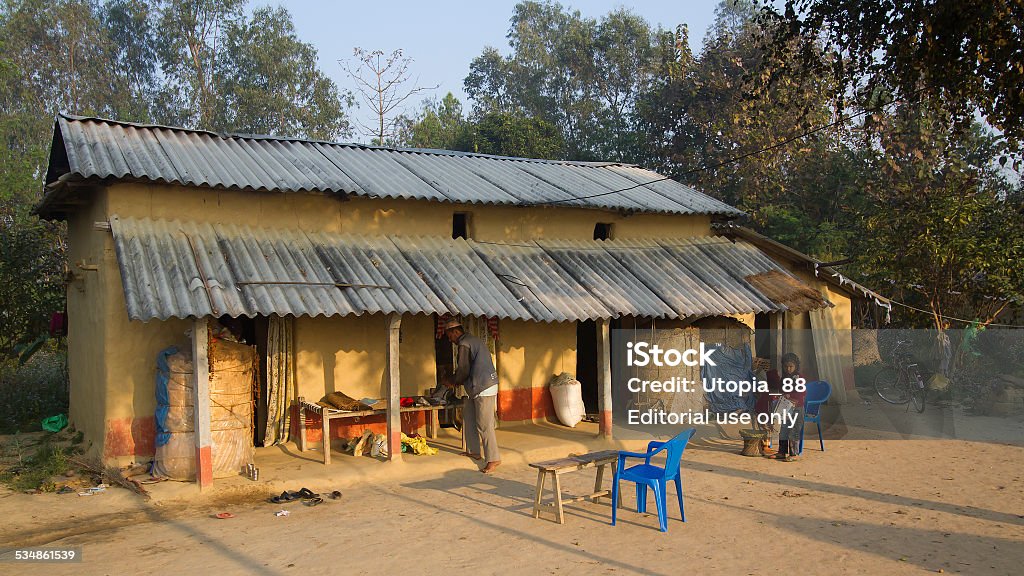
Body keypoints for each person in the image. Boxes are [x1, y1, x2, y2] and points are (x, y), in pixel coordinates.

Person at [443, 318, 501, 474]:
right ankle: (474, 451)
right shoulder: (471, 340)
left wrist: (452, 381)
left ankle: (493, 458)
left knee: (484, 424)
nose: (450, 340)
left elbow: (463, 370)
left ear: (456, 332)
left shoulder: (464, 344)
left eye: (450, 336)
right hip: (475, 387)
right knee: (468, 418)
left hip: (484, 387)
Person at [764, 352, 806, 462]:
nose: (788, 369)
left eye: (791, 366)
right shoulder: (784, 378)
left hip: (797, 409)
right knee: (783, 430)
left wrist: (790, 395)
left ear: (796, 366)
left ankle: (794, 454)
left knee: (793, 431)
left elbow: (802, 393)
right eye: (786, 366)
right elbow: (782, 390)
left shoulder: (799, 378)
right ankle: (782, 452)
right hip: (786, 409)